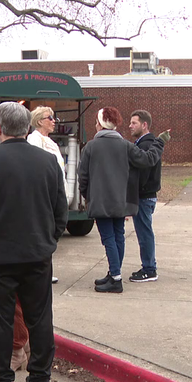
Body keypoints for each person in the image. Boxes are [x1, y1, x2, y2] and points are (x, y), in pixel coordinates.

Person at [0, 102, 68, 382]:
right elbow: (60, 210)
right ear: (26, 127)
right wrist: (50, 239)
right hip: (37, 253)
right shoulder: (48, 162)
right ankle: (41, 377)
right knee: (39, 317)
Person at [79, 107, 164, 294]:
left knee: (108, 237)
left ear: (101, 124)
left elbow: (83, 176)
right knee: (118, 236)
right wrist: (159, 144)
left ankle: (116, 277)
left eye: (96, 122)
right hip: (120, 200)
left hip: (100, 200)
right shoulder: (126, 146)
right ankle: (113, 273)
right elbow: (147, 160)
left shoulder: (91, 147)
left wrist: (86, 196)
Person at [127, 110, 165, 284]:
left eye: (134, 123)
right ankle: (149, 266)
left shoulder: (144, 146)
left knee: (144, 233)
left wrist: (133, 196)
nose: (130, 126)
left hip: (144, 196)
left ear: (144, 125)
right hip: (148, 195)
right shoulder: (150, 143)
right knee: (145, 232)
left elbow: (141, 175)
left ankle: (149, 269)